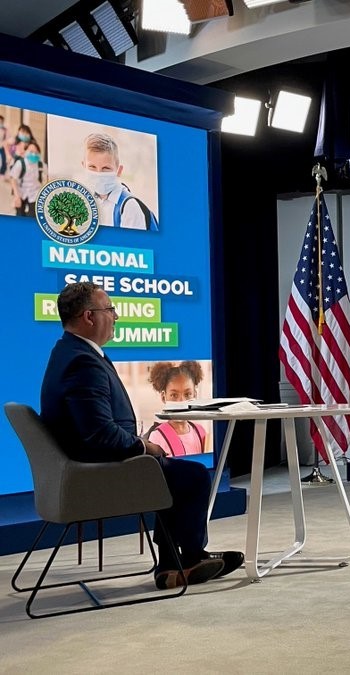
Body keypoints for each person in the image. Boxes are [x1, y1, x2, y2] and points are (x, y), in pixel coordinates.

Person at [39, 282, 242, 589]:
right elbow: (100, 434)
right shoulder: (82, 362)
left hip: (91, 464)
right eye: (110, 309)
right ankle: (188, 558)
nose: (116, 316)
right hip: (98, 473)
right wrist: (144, 446)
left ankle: (173, 566)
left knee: (171, 472)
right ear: (89, 317)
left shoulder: (69, 351)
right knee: (193, 476)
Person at [81, 132, 159, 231]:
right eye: (92, 167)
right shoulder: (86, 201)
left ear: (119, 171)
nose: (99, 173)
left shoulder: (129, 208)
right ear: (83, 166)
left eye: (106, 168)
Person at [146, 361, 208, 456]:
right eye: (174, 395)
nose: (181, 401)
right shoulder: (157, 437)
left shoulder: (201, 432)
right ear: (163, 397)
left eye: (187, 394)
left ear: (195, 395)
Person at [8, 140, 43, 218]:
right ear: (25, 152)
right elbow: (13, 179)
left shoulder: (40, 164)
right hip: (21, 192)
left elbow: (47, 176)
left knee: (33, 216)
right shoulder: (20, 163)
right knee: (20, 215)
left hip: (34, 193)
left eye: (36, 152)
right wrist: (16, 196)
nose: (34, 154)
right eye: (31, 151)